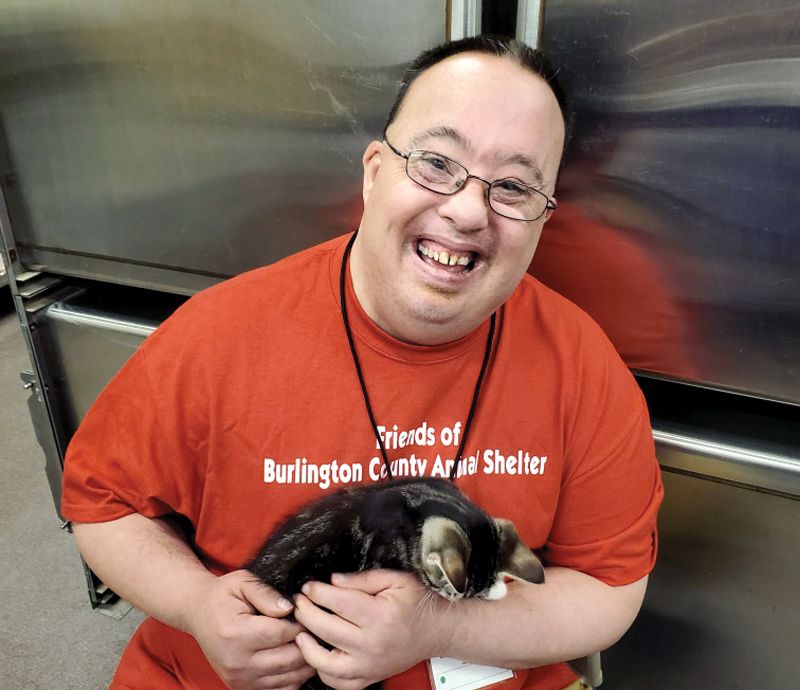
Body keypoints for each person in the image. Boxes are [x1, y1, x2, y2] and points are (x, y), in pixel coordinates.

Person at [61, 36, 663, 690]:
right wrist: (197, 605)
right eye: (436, 162)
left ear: (543, 219)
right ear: (376, 171)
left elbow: (610, 588)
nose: (466, 210)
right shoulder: (217, 335)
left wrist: (439, 628)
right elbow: (103, 505)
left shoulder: (582, 365)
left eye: (513, 187)